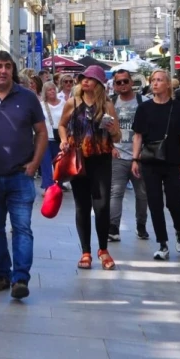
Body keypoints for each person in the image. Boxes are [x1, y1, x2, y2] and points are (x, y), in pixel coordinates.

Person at [0, 51, 47, 300]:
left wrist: (34, 163)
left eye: (7, 66)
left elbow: (42, 132)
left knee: (22, 228)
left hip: (20, 176)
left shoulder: (27, 98)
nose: (3, 71)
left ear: (12, 69)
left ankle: (20, 279)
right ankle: (2, 275)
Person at [59, 64, 120, 271]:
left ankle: (103, 249)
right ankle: (85, 251)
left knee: (102, 207)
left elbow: (118, 136)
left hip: (101, 159)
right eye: (83, 77)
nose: (85, 81)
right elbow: (61, 124)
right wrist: (63, 139)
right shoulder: (72, 102)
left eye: (90, 78)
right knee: (82, 206)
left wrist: (112, 131)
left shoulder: (107, 106)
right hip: (79, 160)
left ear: (99, 83)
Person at [131, 70, 180, 261]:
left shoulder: (179, 108)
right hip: (150, 161)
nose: (155, 84)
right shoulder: (144, 108)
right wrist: (134, 159)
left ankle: (179, 230)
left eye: (159, 80)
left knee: (174, 201)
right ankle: (162, 244)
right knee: (155, 202)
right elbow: (138, 135)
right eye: (153, 80)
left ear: (168, 85)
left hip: (172, 161)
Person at [108, 68, 148, 242]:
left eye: (125, 81)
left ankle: (141, 226)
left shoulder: (144, 102)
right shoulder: (111, 103)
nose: (123, 84)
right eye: (119, 82)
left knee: (142, 194)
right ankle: (113, 228)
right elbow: (103, 128)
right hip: (118, 155)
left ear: (132, 82)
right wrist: (110, 146)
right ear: (115, 86)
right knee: (116, 192)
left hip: (139, 156)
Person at [38, 81, 65, 190]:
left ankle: (58, 185)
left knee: (59, 164)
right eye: (49, 90)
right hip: (45, 138)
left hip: (59, 138)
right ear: (45, 92)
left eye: (53, 89)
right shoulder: (41, 105)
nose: (52, 91)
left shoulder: (63, 103)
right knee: (45, 164)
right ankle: (48, 187)